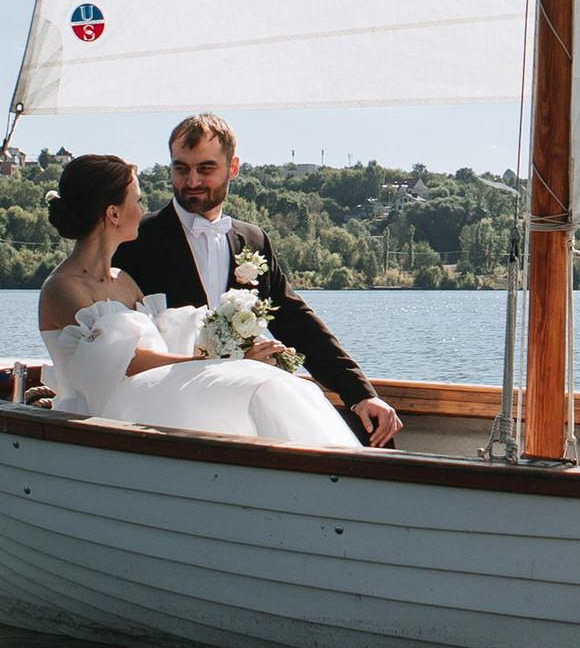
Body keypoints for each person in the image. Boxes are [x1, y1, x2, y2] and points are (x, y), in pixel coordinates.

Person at [35, 150, 360, 449]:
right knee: (253, 383)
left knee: (276, 382)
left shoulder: (125, 280)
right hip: (101, 418)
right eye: (138, 199)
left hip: (149, 404)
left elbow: (169, 339)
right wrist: (225, 364)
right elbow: (124, 362)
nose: (143, 209)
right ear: (113, 213)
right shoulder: (63, 288)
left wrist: (234, 349)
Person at [117, 113, 403, 449]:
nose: (191, 180)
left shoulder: (253, 240)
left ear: (233, 167)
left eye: (205, 169)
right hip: (168, 413)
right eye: (181, 168)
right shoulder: (135, 241)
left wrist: (361, 395)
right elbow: (118, 342)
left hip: (241, 402)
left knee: (369, 434)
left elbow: (297, 324)